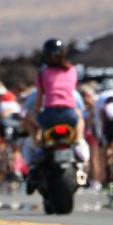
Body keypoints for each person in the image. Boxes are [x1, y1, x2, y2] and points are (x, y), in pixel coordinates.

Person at [26, 38, 83, 195]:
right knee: (79, 115)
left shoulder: (42, 73)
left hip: (50, 115)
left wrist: (36, 111)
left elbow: (39, 100)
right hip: (68, 115)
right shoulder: (71, 70)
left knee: (29, 117)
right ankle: (77, 143)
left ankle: (38, 146)